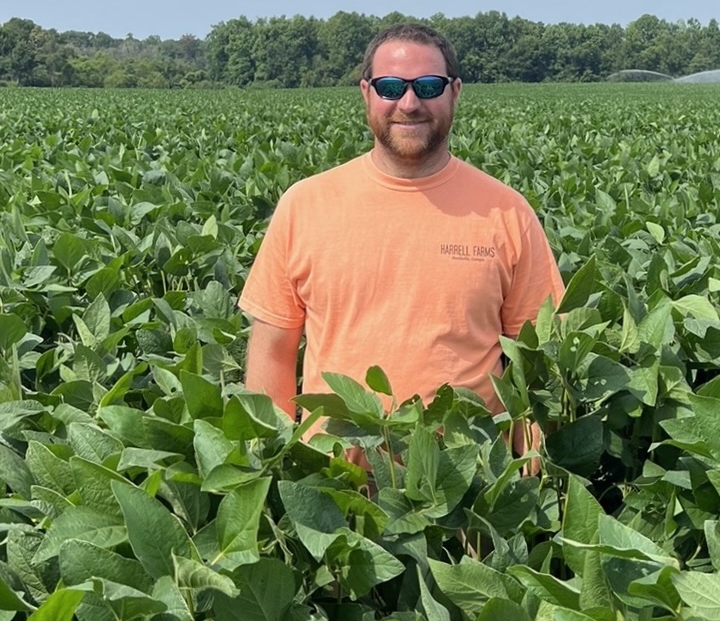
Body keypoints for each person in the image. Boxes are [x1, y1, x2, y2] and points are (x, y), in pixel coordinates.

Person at [238, 22, 565, 452]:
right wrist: (276, 459)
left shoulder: (506, 211)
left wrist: (532, 469)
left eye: (429, 86)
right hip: (334, 478)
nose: (409, 103)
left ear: (456, 92)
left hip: (467, 482)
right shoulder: (305, 204)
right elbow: (273, 351)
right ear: (366, 93)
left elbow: (538, 358)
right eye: (391, 86)